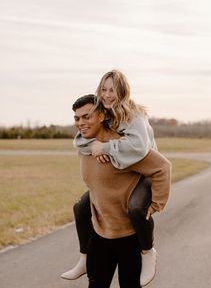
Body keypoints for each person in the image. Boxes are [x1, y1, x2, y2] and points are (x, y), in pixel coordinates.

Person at [61, 70, 169, 286]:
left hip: (142, 171)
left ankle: (148, 252)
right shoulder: (106, 115)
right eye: (104, 89)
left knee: (137, 209)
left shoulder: (133, 115)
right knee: (81, 208)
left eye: (113, 90)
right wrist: (95, 146)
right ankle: (84, 257)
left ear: (122, 92)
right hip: (103, 235)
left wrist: (107, 147)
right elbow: (81, 138)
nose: (108, 94)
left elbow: (139, 148)